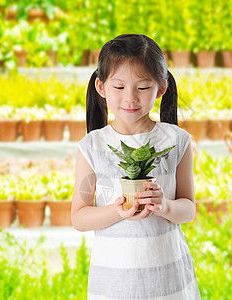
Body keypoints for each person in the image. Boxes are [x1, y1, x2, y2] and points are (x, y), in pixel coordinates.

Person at [71, 34, 200, 300]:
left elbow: (188, 209)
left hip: (169, 281)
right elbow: (79, 217)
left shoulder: (176, 141)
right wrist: (117, 211)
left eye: (142, 88)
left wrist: (165, 206)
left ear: (161, 88)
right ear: (101, 87)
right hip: (114, 283)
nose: (130, 98)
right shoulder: (92, 147)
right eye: (119, 87)